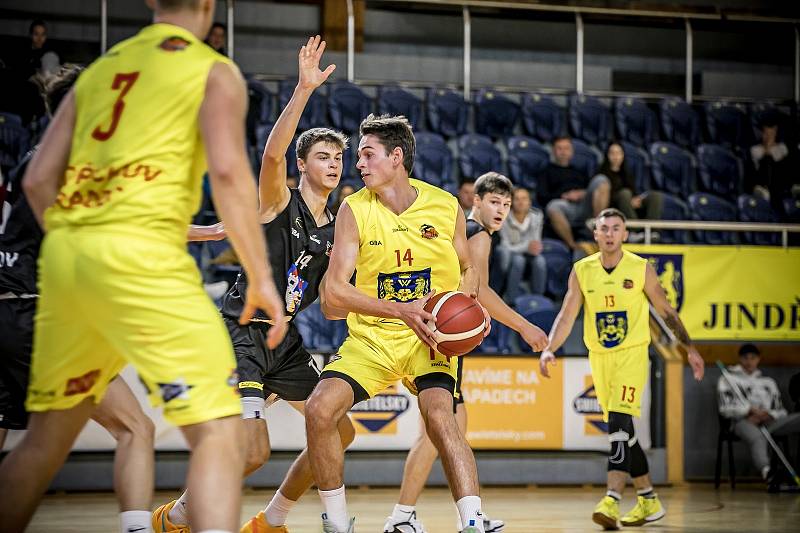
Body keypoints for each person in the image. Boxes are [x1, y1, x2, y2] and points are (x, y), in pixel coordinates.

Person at [0, 2, 287, 532]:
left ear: (153, 1)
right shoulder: (210, 69)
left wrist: (77, 250)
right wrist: (261, 275)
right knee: (219, 432)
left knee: (43, 442)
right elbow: (227, 173)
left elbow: (39, 181)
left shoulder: (103, 68)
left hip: (66, 265)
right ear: (208, 5)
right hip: (143, 257)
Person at [153, 35, 356, 533]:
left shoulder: (338, 228)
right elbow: (271, 157)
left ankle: (273, 519)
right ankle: (178, 515)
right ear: (303, 165)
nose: (333, 163)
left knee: (338, 429)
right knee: (252, 453)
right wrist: (305, 90)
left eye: (338, 157)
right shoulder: (277, 202)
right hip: (244, 329)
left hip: (283, 340)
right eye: (323, 156)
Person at [309, 114, 490, 533]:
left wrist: (466, 305)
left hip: (430, 337)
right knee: (320, 410)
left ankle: (474, 522)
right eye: (358, 156)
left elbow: (469, 268)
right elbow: (333, 293)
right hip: (373, 339)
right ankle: (337, 525)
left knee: (441, 417)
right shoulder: (353, 210)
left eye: (367, 154)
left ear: (396, 157)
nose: (358, 164)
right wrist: (401, 310)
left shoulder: (445, 206)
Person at [0, 66, 156, 533]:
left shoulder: (39, 154)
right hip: (38, 313)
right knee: (133, 429)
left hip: (8, 307)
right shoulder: (71, 158)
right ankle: (137, 528)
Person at [383, 172, 547, 533]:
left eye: (506, 204)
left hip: (438, 332)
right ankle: (404, 516)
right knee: (439, 431)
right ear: (477, 201)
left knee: (454, 426)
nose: (501, 209)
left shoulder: (466, 229)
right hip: (441, 337)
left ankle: (464, 512)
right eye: (494, 202)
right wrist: (524, 326)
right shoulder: (478, 234)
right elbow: (480, 292)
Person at [539, 208, 704, 530]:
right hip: (600, 357)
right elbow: (567, 315)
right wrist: (549, 349)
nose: (611, 233)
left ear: (625, 234)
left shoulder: (641, 269)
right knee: (624, 431)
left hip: (632, 355)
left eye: (617, 228)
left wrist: (690, 348)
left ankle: (611, 499)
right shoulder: (582, 270)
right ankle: (648, 499)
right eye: (605, 228)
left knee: (617, 423)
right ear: (596, 234)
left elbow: (667, 311)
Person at [718, 343, 800, 485]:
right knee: (757, 437)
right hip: (743, 422)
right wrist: (748, 411)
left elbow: (781, 410)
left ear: (758, 359)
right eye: (745, 358)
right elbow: (725, 408)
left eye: (753, 358)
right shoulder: (727, 380)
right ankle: (768, 472)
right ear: (740, 359)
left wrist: (768, 414)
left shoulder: (768, 383)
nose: (749, 361)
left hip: (769, 422)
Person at [538, 136, 610, 251]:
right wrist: (564, 196)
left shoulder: (579, 171)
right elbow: (541, 197)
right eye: (559, 148)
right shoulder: (546, 172)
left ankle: (599, 226)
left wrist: (583, 193)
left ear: (571, 152)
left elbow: (592, 190)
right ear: (553, 151)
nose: (563, 152)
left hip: (584, 205)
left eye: (566, 148)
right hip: (565, 207)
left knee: (601, 179)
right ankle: (572, 245)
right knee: (553, 206)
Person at [597, 142, 663, 223]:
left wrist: (635, 199)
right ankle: (634, 228)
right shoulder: (601, 174)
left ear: (623, 155)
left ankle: (652, 230)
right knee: (625, 193)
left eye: (618, 153)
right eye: (612, 153)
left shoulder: (627, 173)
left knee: (655, 196)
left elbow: (633, 191)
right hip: (614, 206)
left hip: (629, 204)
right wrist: (628, 200)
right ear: (607, 155)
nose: (616, 157)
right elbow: (602, 197)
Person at [500, 186, 546, 300]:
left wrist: (531, 247)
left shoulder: (537, 216)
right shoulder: (503, 217)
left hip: (528, 252)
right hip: (512, 254)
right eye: (517, 199)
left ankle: (538, 298)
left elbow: (535, 242)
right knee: (518, 261)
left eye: (524, 199)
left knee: (540, 261)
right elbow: (505, 246)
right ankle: (511, 300)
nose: (521, 202)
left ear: (530, 201)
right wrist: (525, 246)